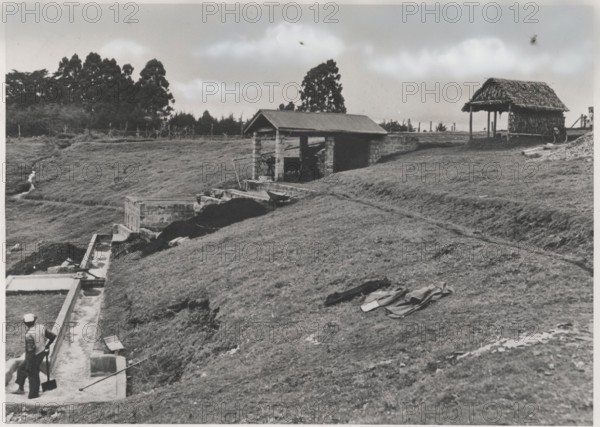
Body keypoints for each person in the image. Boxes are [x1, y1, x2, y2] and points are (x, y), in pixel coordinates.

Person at [14, 313, 57, 399]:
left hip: (33, 356)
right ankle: (20, 388)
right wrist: (47, 346)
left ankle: (33, 395)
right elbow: (53, 336)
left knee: (32, 374)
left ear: (25, 323)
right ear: (34, 320)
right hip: (41, 353)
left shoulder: (29, 335)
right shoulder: (41, 327)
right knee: (21, 368)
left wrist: (29, 364)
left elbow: (30, 351)